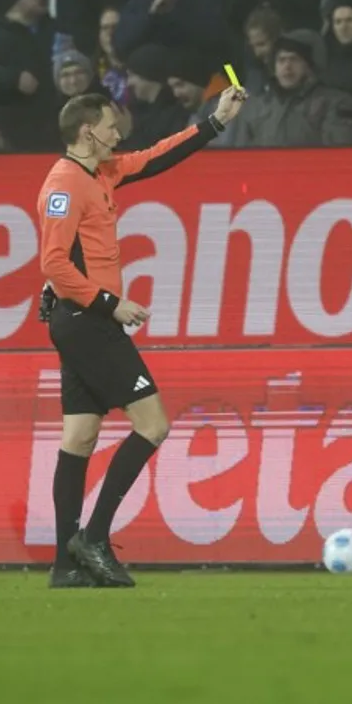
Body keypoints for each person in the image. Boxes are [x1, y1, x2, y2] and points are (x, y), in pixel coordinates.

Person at [36, 88, 247, 588]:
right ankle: (94, 538)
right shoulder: (64, 184)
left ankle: (66, 566)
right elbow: (54, 264)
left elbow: (154, 158)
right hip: (89, 322)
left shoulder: (99, 172)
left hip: (80, 320)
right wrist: (111, 304)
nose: (118, 134)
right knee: (153, 425)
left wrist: (214, 122)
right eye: (110, 126)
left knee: (80, 437)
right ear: (87, 131)